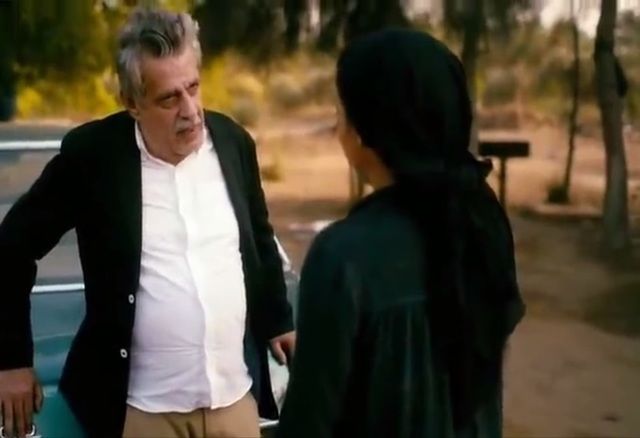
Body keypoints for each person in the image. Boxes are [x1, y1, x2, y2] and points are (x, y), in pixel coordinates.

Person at [0, 8, 295, 438]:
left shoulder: (233, 143)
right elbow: (11, 247)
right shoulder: (93, 158)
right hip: (141, 413)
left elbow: (258, 238)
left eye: (193, 87)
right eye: (169, 98)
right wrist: (11, 360)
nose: (191, 111)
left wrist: (278, 319)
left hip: (233, 402)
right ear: (132, 103)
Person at [276, 29, 525, 438]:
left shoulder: (343, 256)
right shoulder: (482, 222)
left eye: (341, 112)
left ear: (364, 131)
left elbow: (309, 423)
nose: (338, 126)